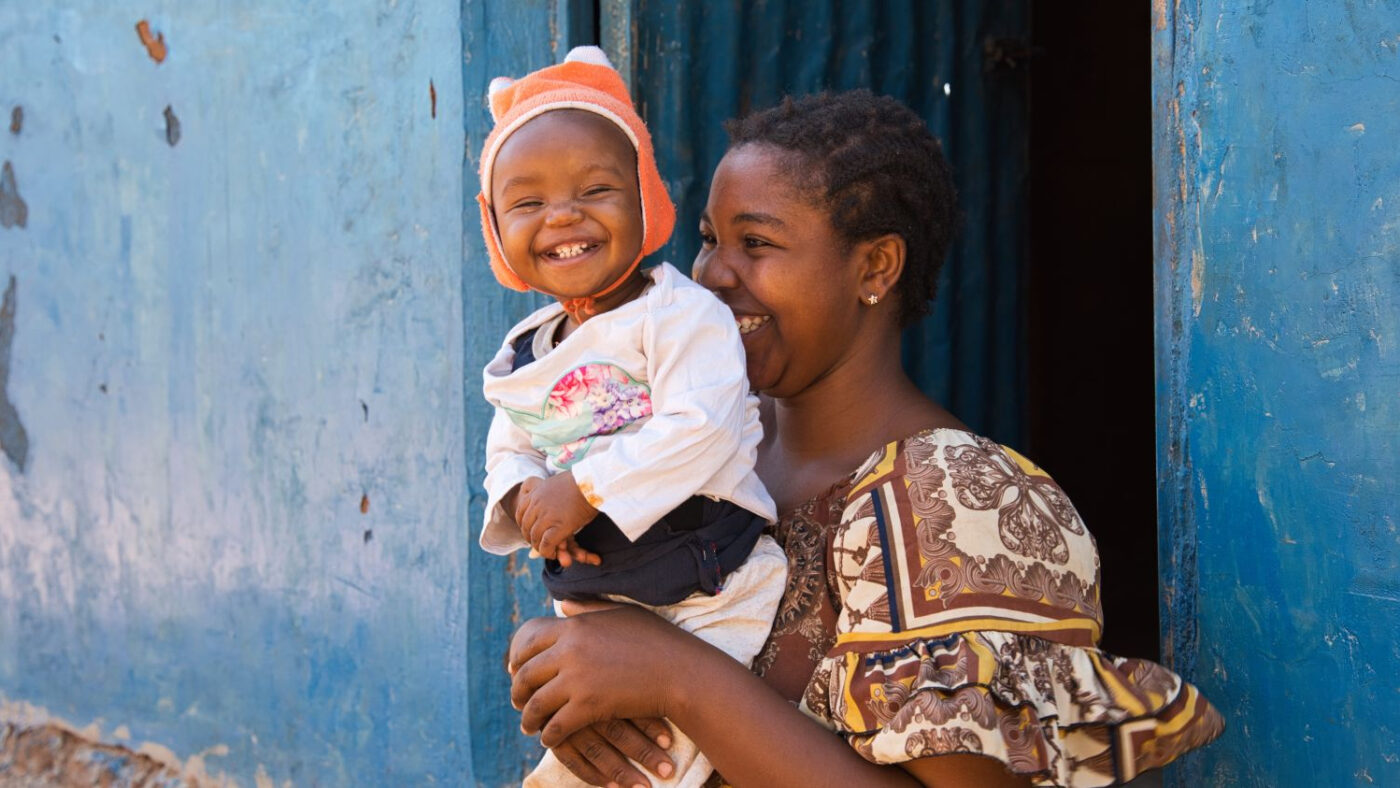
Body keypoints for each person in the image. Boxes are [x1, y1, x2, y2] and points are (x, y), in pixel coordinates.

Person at [506, 90, 1225, 787]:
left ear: (875, 266)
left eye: (756, 243)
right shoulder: (694, 443)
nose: (713, 273)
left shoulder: (955, 500)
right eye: (708, 239)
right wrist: (558, 663)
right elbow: (617, 629)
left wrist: (675, 678)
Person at [475, 47, 789, 788]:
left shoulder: (681, 315)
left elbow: (702, 425)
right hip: (600, 591)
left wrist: (584, 488)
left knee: (665, 759)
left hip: (710, 584)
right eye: (527, 203)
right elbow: (510, 441)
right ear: (497, 231)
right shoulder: (527, 349)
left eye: (595, 189)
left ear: (644, 199)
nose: (562, 215)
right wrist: (522, 494)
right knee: (584, 756)